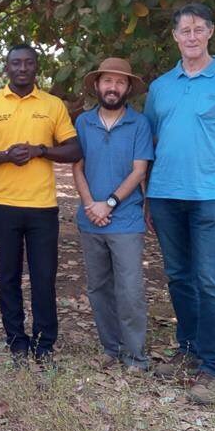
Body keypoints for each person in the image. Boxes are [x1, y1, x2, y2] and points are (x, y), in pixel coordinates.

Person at [144, 3, 215, 404]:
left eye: (197, 29)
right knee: (178, 276)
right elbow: (150, 146)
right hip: (164, 196)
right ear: (174, 37)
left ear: (210, 32)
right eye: (183, 31)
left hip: (212, 198)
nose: (190, 37)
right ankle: (188, 348)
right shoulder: (160, 87)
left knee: (209, 279)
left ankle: (214, 366)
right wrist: (146, 198)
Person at [0, 44, 82, 365]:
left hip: (43, 206)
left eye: (28, 63)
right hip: (3, 205)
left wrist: (40, 151)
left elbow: (73, 150)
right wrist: (6, 155)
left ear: (36, 68)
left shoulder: (52, 105)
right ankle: (16, 340)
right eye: (15, 63)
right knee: (8, 276)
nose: (22, 68)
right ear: (7, 68)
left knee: (44, 276)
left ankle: (45, 342)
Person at [72, 57, 153, 372]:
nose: (113, 87)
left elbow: (139, 171)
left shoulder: (140, 124)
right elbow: (77, 167)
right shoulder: (83, 122)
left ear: (128, 87)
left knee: (130, 289)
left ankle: (135, 356)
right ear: (97, 85)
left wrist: (110, 203)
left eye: (120, 82)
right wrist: (91, 204)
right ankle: (111, 347)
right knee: (98, 288)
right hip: (90, 220)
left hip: (126, 220)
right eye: (108, 81)